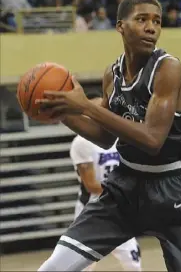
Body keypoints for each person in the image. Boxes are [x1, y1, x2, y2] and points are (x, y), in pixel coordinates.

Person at [37, 0, 181, 272]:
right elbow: (104, 136)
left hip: (175, 187)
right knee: (54, 267)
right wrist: (63, 114)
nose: (151, 27)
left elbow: (152, 140)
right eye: (142, 19)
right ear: (121, 26)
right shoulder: (113, 72)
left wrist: (85, 105)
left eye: (157, 21)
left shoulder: (168, 67)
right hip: (126, 183)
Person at [70, 92, 141, 272]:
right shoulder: (81, 143)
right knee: (82, 265)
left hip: (118, 207)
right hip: (91, 209)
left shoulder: (119, 137)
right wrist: (124, 188)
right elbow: (91, 184)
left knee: (133, 262)